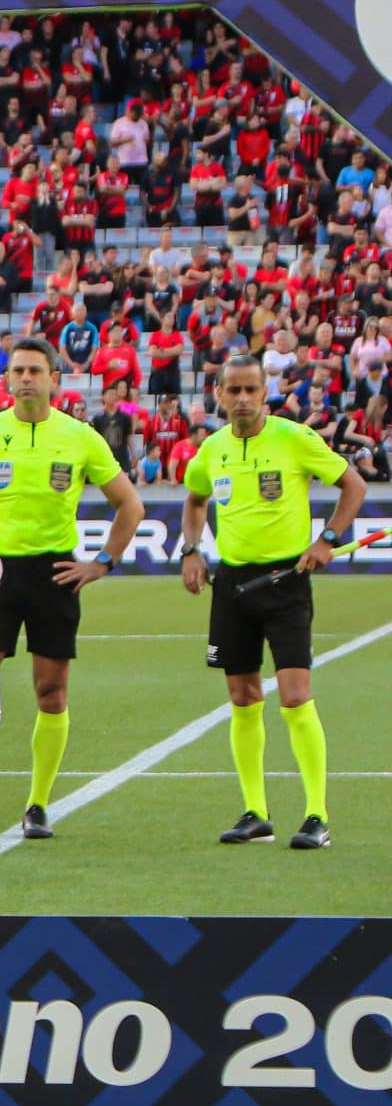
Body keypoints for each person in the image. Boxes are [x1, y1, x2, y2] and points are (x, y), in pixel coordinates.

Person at [181, 356, 367, 850]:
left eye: (250, 390)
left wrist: (326, 538)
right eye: (232, 390)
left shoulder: (294, 438)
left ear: (266, 393)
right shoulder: (211, 449)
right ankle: (256, 813)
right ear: (218, 395)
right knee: (242, 698)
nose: (241, 398)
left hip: (287, 581)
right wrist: (192, 549)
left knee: (294, 696)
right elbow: (195, 500)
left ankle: (316, 816)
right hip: (233, 584)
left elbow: (354, 484)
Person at [0, 338, 144, 839]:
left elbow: (130, 505)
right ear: (7, 380)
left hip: (55, 575)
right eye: (18, 371)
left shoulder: (80, 437)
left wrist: (101, 563)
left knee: (51, 694)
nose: (26, 378)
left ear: (55, 378)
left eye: (36, 371)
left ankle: (37, 805)